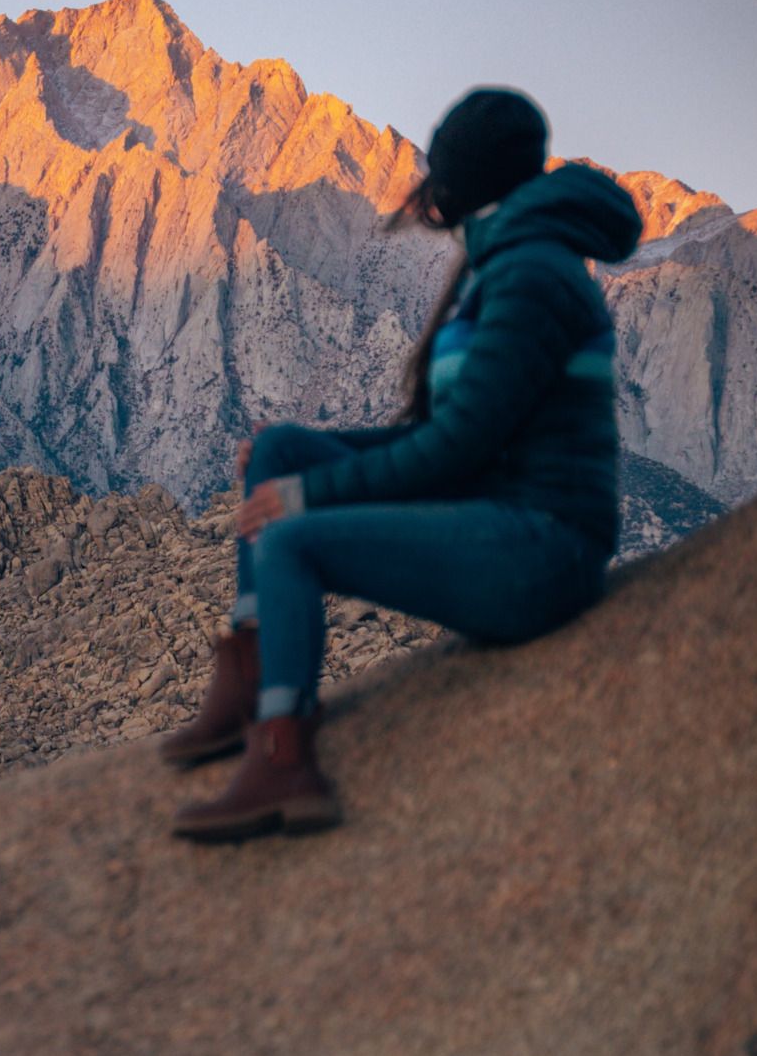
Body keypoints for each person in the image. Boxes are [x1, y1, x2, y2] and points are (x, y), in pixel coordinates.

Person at [162, 88, 642, 845]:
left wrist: (308, 496)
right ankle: (251, 679)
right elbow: (445, 438)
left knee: (290, 541)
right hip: (497, 516)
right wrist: (296, 468)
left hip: (542, 550)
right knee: (281, 448)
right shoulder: (505, 261)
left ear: (462, 179)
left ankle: (282, 759)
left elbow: (456, 451)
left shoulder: (532, 275)